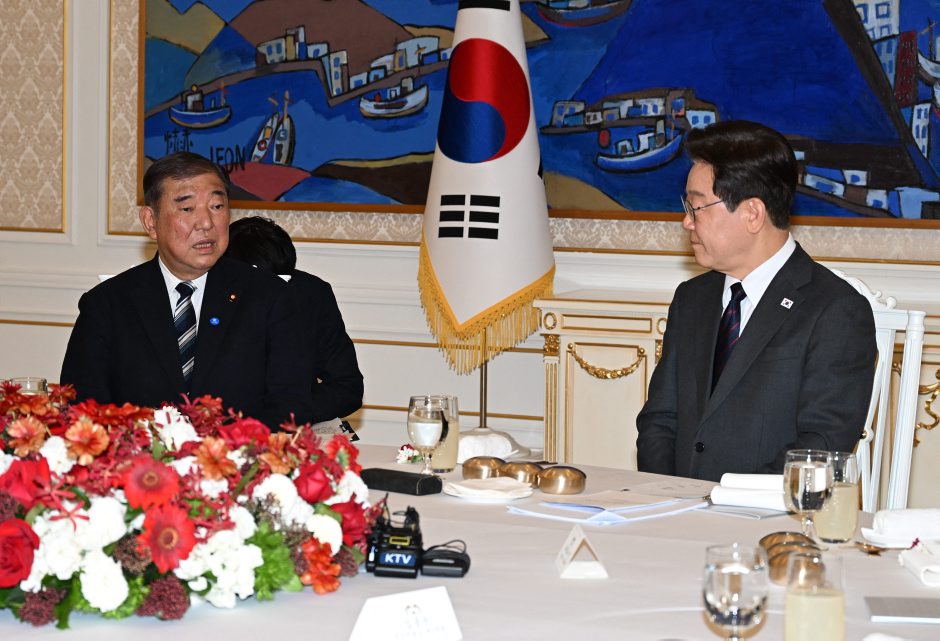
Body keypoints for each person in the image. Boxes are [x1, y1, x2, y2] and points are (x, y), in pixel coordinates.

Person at [636, 120, 877, 481]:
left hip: (766, 512)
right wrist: (667, 495)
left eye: (697, 207)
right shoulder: (692, 299)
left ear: (752, 214)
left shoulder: (835, 310)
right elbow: (659, 421)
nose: (687, 222)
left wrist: (724, 499)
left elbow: (820, 447)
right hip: (677, 506)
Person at [60, 152, 313, 428]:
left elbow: (290, 406)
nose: (206, 223)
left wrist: (225, 447)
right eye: (187, 209)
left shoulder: (270, 298)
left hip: (242, 453)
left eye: (217, 206)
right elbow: (83, 412)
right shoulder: (107, 305)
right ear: (150, 221)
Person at [225, 216, 364, 423]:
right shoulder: (205, 297)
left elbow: (347, 388)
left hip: (294, 425)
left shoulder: (310, 295)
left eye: (283, 280)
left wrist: (288, 412)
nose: (275, 293)